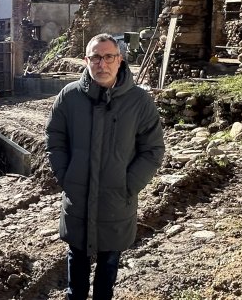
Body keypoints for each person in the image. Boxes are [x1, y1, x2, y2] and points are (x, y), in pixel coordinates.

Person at [45, 33, 165, 300]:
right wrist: (66, 176)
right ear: (86, 60)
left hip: (116, 200)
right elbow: (54, 138)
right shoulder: (69, 97)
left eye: (109, 57)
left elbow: (153, 149)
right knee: (76, 261)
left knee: (109, 264)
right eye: (96, 57)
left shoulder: (139, 101)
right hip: (78, 198)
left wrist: (129, 185)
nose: (102, 64)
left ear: (119, 60)